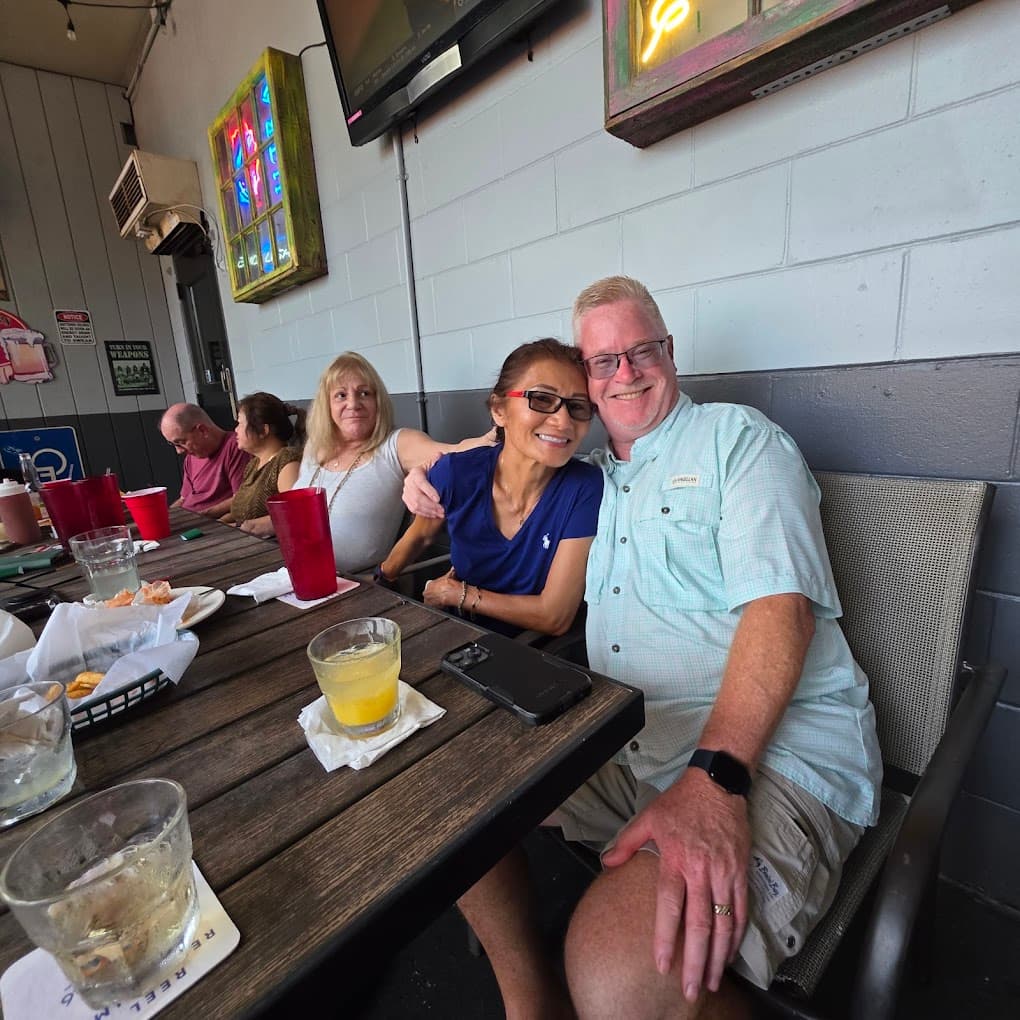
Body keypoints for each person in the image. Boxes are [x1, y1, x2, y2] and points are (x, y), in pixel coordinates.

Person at [404, 276, 883, 1019]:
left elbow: (782, 612)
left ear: (670, 353)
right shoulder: (588, 483)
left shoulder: (740, 440)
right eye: (603, 362)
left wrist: (716, 779)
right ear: (588, 386)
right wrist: (425, 484)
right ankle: (530, 1004)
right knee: (454, 789)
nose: (624, 372)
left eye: (642, 351)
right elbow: (494, 451)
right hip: (628, 744)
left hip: (769, 759)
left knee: (620, 972)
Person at [378, 339, 602, 636]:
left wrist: (457, 594)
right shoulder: (456, 473)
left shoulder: (584, 488)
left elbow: (555, 617)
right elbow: (419, 538)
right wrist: (378, 583)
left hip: (536, 652)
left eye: (577, 406)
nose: (563, 421)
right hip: (455, 634)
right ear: (499, 410)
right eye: (542, 399)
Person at [294, 351, 496, 575]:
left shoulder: (396, 444)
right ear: (327, 405)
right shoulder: (315, 447)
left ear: (378, 402)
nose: (353, 403)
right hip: (295, 572)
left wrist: (495, 435)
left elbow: (456, 451)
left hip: (360, 585)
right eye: (341, 395)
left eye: (364, 393)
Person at [218, 392, 306, 536]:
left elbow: (294, 514)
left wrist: (235, 526)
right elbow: (240, 512)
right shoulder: (253, 465)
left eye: (240, 424)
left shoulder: (288, 462)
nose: (236, 430)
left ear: (263, 430)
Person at [160, 403, 251, 517]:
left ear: (202, 430)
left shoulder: (236, 447)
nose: (179, 451)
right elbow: (183, 499)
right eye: (172, 444)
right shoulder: (191, 457)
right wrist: (165, 516)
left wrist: (200, 516)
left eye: (181, 442)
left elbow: (242, 498)